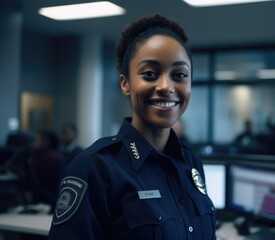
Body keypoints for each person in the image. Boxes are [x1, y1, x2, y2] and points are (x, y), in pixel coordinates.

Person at [48, 14, 216, 240]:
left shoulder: (190, 161)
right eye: (150, 74)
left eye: (179, 75)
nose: (166, 86)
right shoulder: (94, 167)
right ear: (125, 84)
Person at [30, 130, 66, 209]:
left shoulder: (34, 156)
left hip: (40, 197)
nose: (34, 143)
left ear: (45, 141)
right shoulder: (58, 156)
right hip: (55, 198)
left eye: (37, 140)